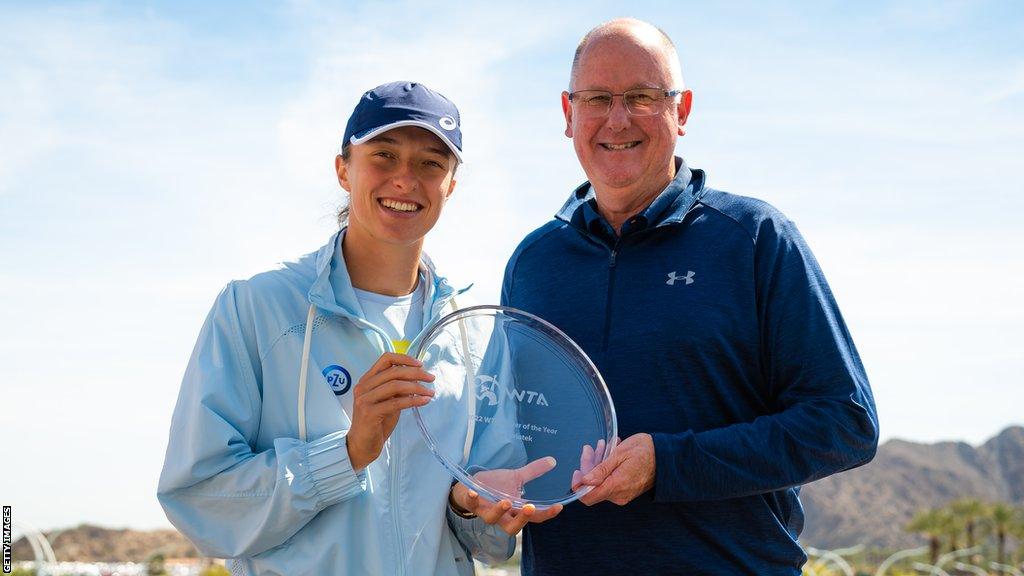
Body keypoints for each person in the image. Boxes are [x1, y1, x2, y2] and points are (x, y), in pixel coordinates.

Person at [502, 19, 879, 575]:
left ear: (682, 111)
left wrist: (669, 464)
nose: (618, 119)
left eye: (642, 97)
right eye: (598, 99)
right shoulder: (532, 262)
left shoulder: (754, 238)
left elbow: (845, 424)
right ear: (568, 114)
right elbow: (511, 426)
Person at [158, 81, 559, 575]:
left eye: (431, 163)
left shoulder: (475, 334)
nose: (406, 179)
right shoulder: (254, 308)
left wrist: (472, 507)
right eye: (384, 155)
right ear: (343, 169)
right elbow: (201, 497)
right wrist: (348, 452)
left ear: (451, 184)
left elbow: (483, 541)